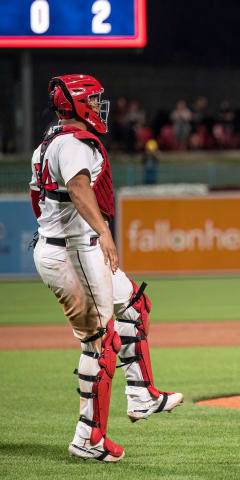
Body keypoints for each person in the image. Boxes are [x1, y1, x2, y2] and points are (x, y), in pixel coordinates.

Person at [29, 74, 183, 462]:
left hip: (70, 246)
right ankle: (88, 439)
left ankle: (142, 394)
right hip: (74, 251)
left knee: (134, 304)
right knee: (101, 343)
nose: (100, 107)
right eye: (94, 101)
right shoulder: (74, 145)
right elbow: (80, 189)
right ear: (79, 105)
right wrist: (102, 233)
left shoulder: (46, 143)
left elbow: (36, 198)